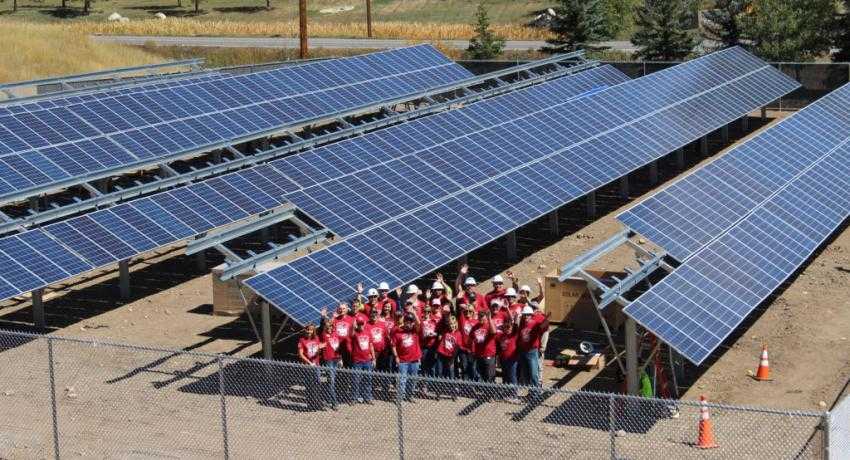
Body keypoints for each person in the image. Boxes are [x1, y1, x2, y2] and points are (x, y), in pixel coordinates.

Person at [517, 304, 550, 391]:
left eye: (528, 314)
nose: (526, 316)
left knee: (533, 373)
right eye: (525, 315)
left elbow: (543, 327)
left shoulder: (535, 324)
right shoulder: (522, 324)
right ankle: (531, 392)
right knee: (526, 373)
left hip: (532, 351)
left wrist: (546, 319)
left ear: (531, 315)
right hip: (523, 351)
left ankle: (535, 393)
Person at [392, 309, 422, 401]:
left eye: (410, 322)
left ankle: (410, 396)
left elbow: (418, 324)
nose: (408, 324)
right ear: (404, 322)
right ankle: (401, 396)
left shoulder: (415, 331)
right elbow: (393, 345)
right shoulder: (397, 332)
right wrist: (396, 357)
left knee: (412, 380)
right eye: (407, 322)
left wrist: (414, 313)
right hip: (403, 360)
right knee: (402, 380)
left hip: (414, 360)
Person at [318, 310, 343, 409]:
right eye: (327, 327)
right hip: (328, 360)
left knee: (332, 381)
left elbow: (338, 347)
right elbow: (321, 327)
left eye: (331, 326)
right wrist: (323, 317)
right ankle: (334, 402)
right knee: (331, 381)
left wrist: (341, 359)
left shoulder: (335, 334)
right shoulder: (323, 334)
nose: (329, 328)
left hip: (336, 360)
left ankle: (328, 398)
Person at [297, 323, 322, 409]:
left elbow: (318, 351)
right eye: (308, 329)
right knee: (309, 385)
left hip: (316, 365)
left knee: (317, 384)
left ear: (313, 330)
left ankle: (317, 403)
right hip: (308, 366)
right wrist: (309, 363)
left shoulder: (316, 338)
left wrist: (320, 350)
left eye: (311, 330)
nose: (309, 331)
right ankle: (310, 404)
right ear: (305, 330)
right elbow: (301, 354)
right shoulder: (302, 340)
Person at [350, 319, 376, 403]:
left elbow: (371, 345)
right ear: (357, 324)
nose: (360, 326)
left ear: (364, 324)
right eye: (359, 324)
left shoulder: (368, 332)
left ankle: (367, 397)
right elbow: (351, 334)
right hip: (357, 360)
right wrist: (353, 326)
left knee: (368, 379)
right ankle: (354, 398)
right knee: (355, 380)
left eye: (362, 324)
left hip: (367, 360)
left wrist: (374, 358)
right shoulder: (355, 333)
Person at [471, 310, 498, 383]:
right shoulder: (475, 327)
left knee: (489, 376)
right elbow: (471, 339)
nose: (481, 319)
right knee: (481, 376)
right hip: (479, 355)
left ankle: (490, 392)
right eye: (480, 317)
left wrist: (489, 319)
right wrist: (473, 350)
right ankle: (483, 392)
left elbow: (494, 332)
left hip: (489, 355)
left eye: (483, 317)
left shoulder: (489, 325)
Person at [497, 316, 520, 396]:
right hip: (503, 359)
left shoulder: (514, 335)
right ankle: (506, 392)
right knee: (505, 376)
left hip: (512, 359)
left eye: (509, 327)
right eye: (505, 327)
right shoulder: (501, 336)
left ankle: (513, 394)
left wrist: (515, 319)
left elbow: (516, 327)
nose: (507, 329)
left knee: (512, 376)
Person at [456, 302, 479, 381]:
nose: (468, 313)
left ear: (473, 312)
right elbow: (459, 306)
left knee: (473, 368)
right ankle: (466, 387)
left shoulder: (476, 322)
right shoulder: (462, 320)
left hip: (474, 350)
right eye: (466, 311)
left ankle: (474, 385)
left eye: (470, 311)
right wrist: (463, 303)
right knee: (464, 367)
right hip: (463, 348)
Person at [420, 300, 440, 378]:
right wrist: (424, 336)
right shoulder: (421, 322)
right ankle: (424, 384)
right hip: (424, 346)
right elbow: (418, 334)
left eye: (428, 312)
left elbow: (438, 333)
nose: (427, 313)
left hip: (433, 346)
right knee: (424, 365)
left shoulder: (434, 321)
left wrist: (434, 334)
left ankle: (432, 383)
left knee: (432, 366)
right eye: (425, 311)